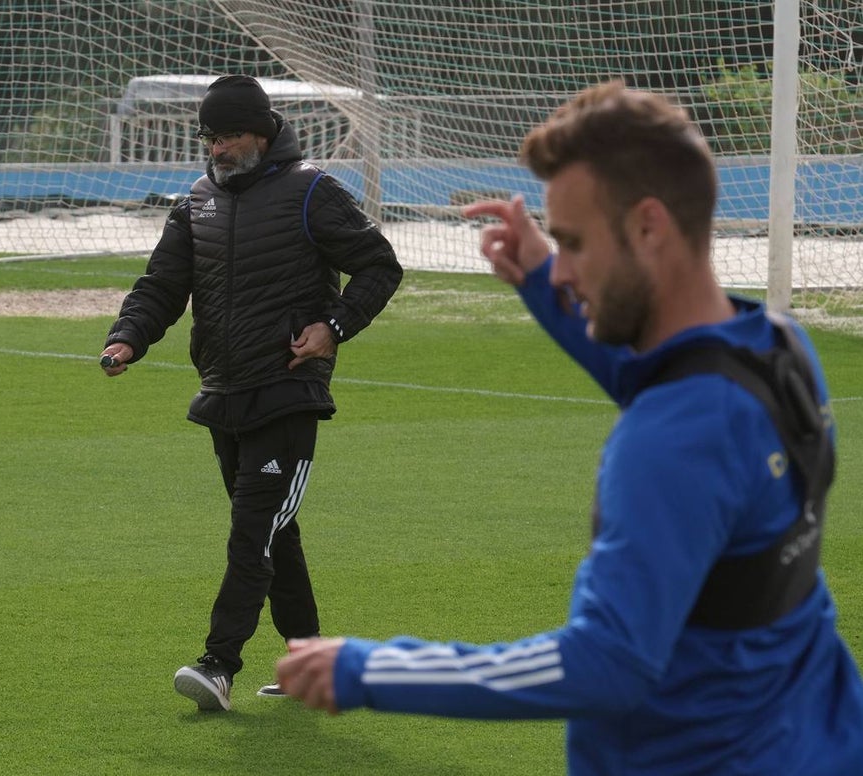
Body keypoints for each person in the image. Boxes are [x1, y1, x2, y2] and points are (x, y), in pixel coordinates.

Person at [276, 81, 863, 773]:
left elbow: (607, 662)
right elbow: (663, 368)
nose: (567, 273)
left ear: (648, 227)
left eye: (575, 244)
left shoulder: (671, 441)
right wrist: (537, 273)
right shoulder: (775, 348)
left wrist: (370, 669)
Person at [100, 74, 402, 712]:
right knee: (274, 534)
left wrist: (334, 327)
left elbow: (380, 263)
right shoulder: (197, 201)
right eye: (208, 136)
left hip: (289, 390)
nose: (216, 148)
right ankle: (313, 666)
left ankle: (218, 665)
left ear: (262, 134)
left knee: (253, 531)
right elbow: (162, 284)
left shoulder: (312, 191)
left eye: (229, 135)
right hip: (224, 392)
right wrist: (129, 338)